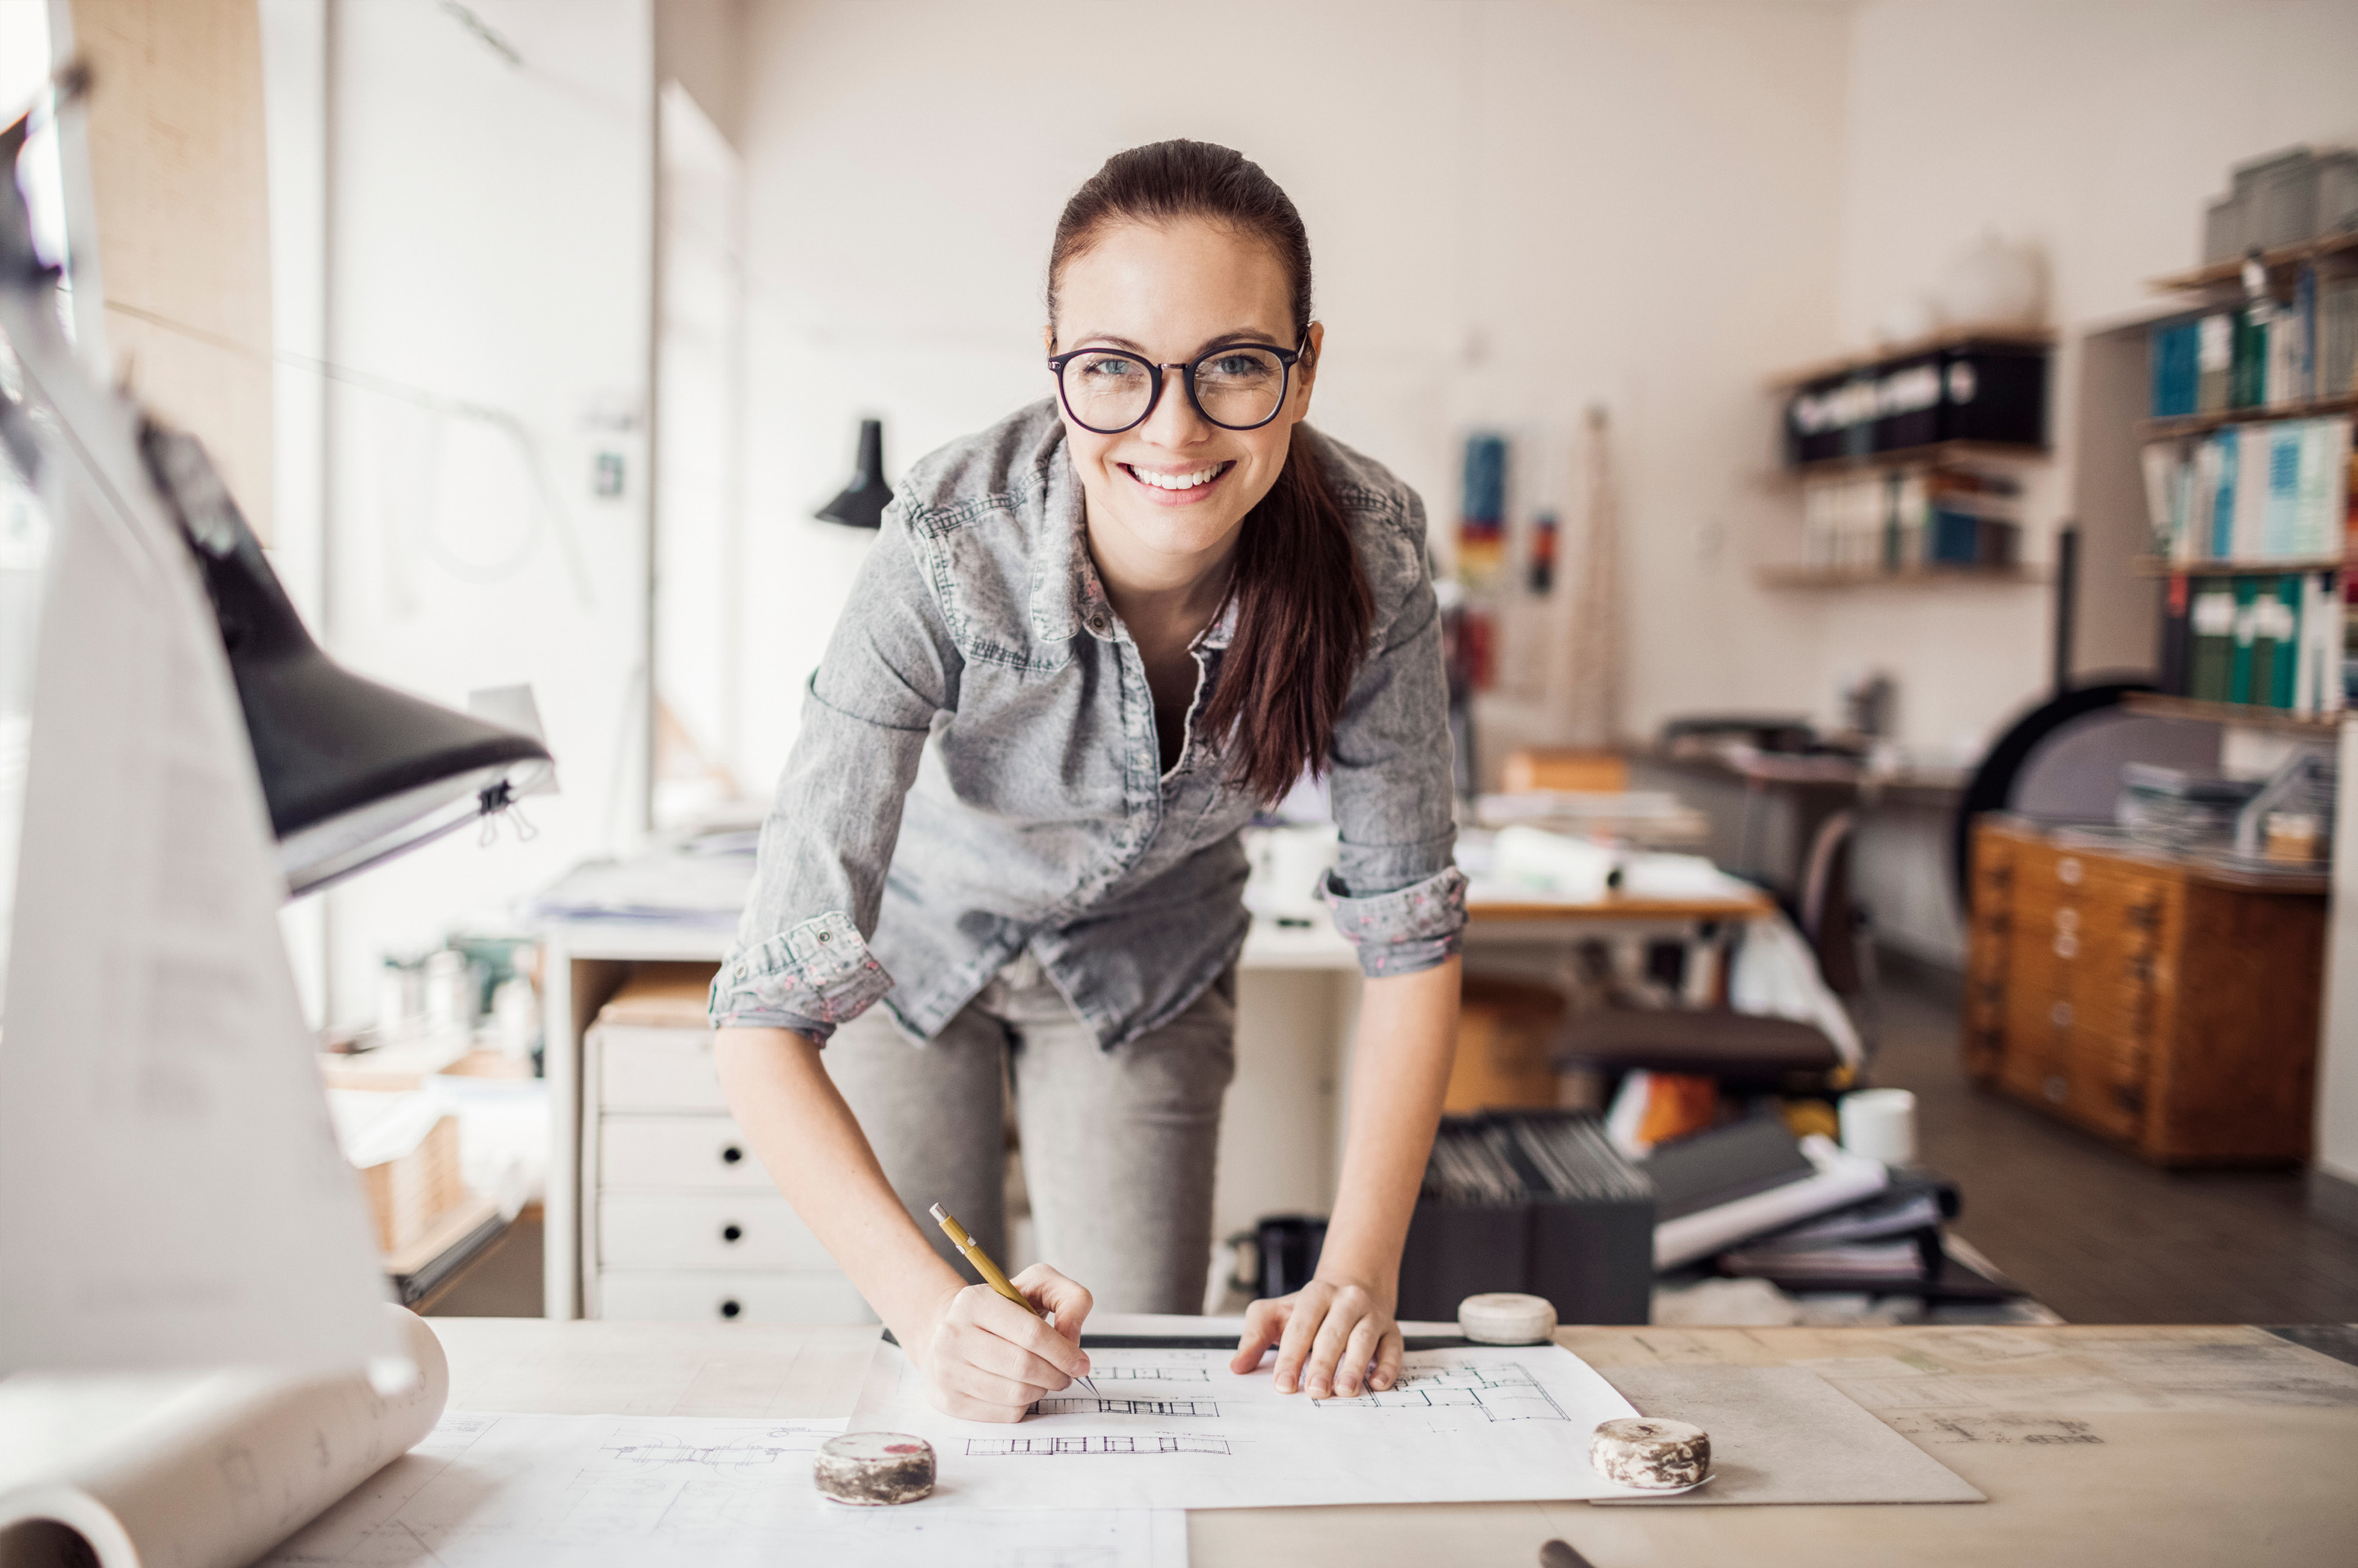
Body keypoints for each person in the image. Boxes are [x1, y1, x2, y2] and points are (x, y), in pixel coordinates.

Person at [711, 138, 1464, 1424]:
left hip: (1148, 963)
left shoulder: (1372, 553)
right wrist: (927, 1313)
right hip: (919, 951)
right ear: (1056, 364)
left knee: (1132, 1378)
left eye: (1235, 365)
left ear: (1304, 368)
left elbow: (1411, 937)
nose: (1174, 428)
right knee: (942, 1377)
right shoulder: (945, 542)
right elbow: (761, 1018)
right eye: (1115, 367)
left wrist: (1358, 1272)